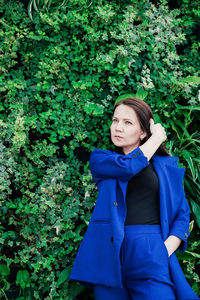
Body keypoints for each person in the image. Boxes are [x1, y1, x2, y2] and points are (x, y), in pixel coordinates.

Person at [69, 97, 199, 300]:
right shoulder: (101, 160)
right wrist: (156, 139)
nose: (118, 127)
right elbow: (129, 166)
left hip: (150, 248)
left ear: (143, 132)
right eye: (115, 120)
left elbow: (182, 214)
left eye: (127, 122)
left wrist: (163, 251)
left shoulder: (165, 167)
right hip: (110, 252)